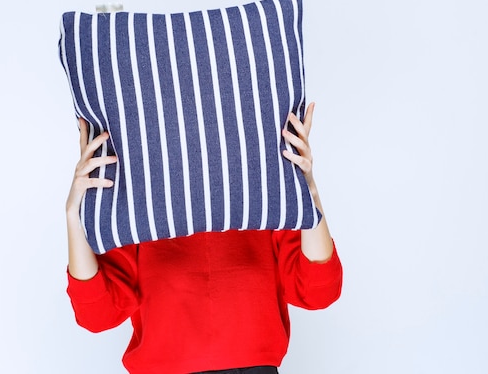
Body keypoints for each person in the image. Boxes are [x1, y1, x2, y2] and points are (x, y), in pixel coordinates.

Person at [65, 102, 343, 374]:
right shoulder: (136, 201)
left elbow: (319, 291)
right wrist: (74, 216)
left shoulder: (265, 190)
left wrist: (307, 188)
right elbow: (97, 314)